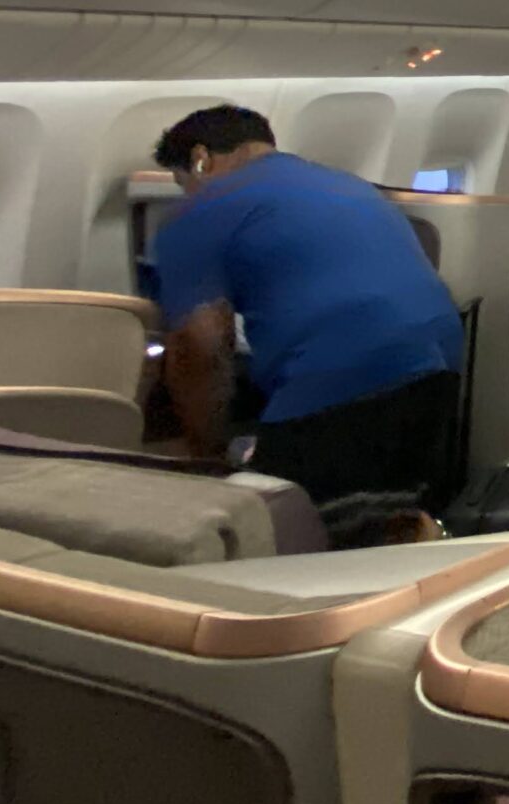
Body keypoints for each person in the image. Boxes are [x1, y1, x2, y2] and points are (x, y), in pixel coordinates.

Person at [151, 104, 466, 524]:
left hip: (341, 373)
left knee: (278, 530)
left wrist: (206, 454)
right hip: (440, 367)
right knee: (393, 519)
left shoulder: (200, 210)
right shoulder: (348, 184)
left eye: (182, 182)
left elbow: (201, 344)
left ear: (200, 159)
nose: (186, 192)